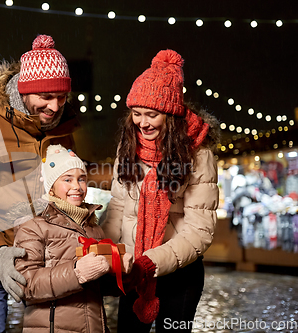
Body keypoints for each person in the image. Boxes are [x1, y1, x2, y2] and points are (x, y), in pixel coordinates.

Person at [0, 34, 80, 333]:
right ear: (23, 91)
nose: (54, 106)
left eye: (61, 97)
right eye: (45, 97)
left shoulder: (62, 126)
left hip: (46, 260)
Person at [101, 49, 220, 332]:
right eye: (136, 114)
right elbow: (118, 208)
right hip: (133, 270)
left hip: (180, 272)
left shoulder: (198, 156)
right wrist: (106, 251)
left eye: (151, 115)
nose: (142, 123)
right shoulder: (128, 148)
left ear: (170, 116)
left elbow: (199, 231)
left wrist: (152, 261)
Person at [14, 145, 130, 332]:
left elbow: (100, 288)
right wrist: (77, 272)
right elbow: (26, 285)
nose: (77, 186)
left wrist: (120, 270)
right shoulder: (33, 227)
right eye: (67, 179)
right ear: (51, 188)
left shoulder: (93, 228)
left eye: (81, 179)